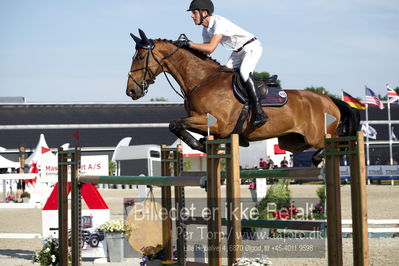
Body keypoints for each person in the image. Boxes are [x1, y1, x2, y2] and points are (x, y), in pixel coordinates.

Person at [180, 0, 267, 128]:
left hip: (251, 47)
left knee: (244, 72)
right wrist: (185, 50)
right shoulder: (205, 30)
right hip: (237, 52)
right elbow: (206, 55)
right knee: (224, 75)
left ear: (204, 12)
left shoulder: (218, 23)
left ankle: (259, 111)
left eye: (194, 12)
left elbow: (210, 48)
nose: (192, 16)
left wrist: (189, 44)